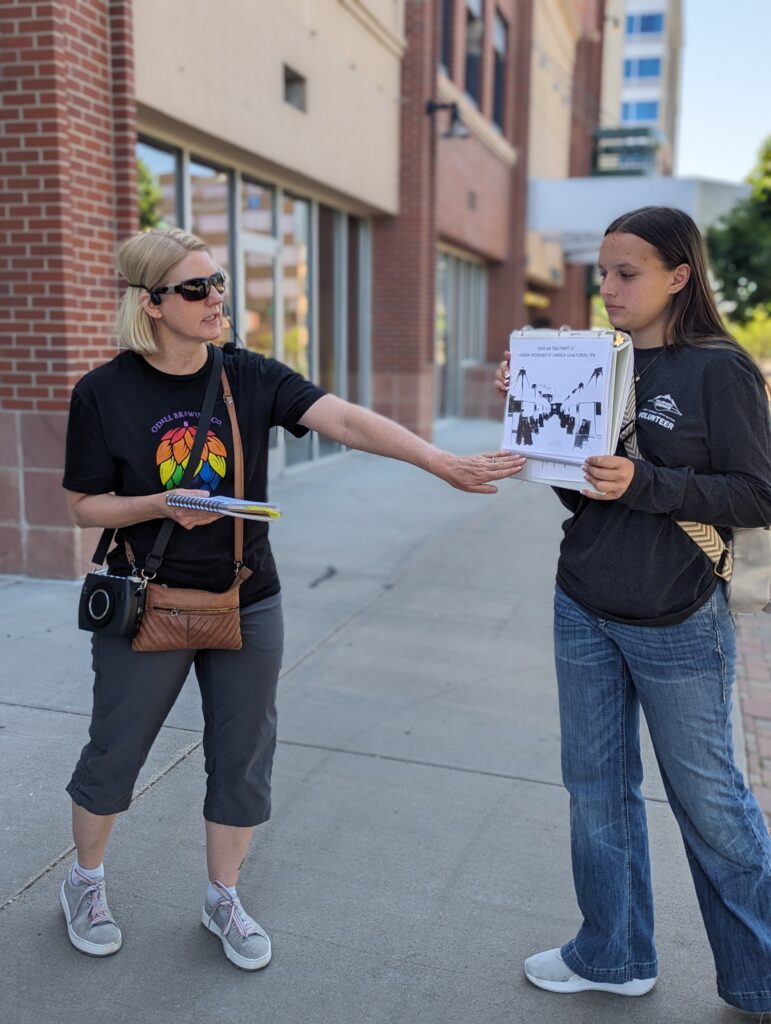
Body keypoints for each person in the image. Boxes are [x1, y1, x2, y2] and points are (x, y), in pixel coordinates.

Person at [61, 226, 525, 970]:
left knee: (242, 756)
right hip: (148, 598)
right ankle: (84, 882)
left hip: (247, 597)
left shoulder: (245, 374)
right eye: (194, 288)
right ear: (151, 304)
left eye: (217, 283)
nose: (215, 298)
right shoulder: (104, 391)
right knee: (116, 752)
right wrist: (156, 505)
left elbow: (340, 419)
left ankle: (223, 897)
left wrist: (436, 461)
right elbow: (86, 505)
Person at [495, 207, 771, 1013]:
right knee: (595, 790)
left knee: (710, 804)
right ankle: (612, 955)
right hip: (582, 603)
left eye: (627, 273)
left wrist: (645, 482)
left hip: (677, 618)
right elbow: (581, 496)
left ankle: (759, 977)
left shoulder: (719, 370)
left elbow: (758, 495)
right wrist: (534, 417)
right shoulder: (598, 359)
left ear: (678, 275)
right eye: (603, 273)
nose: (607, 289)